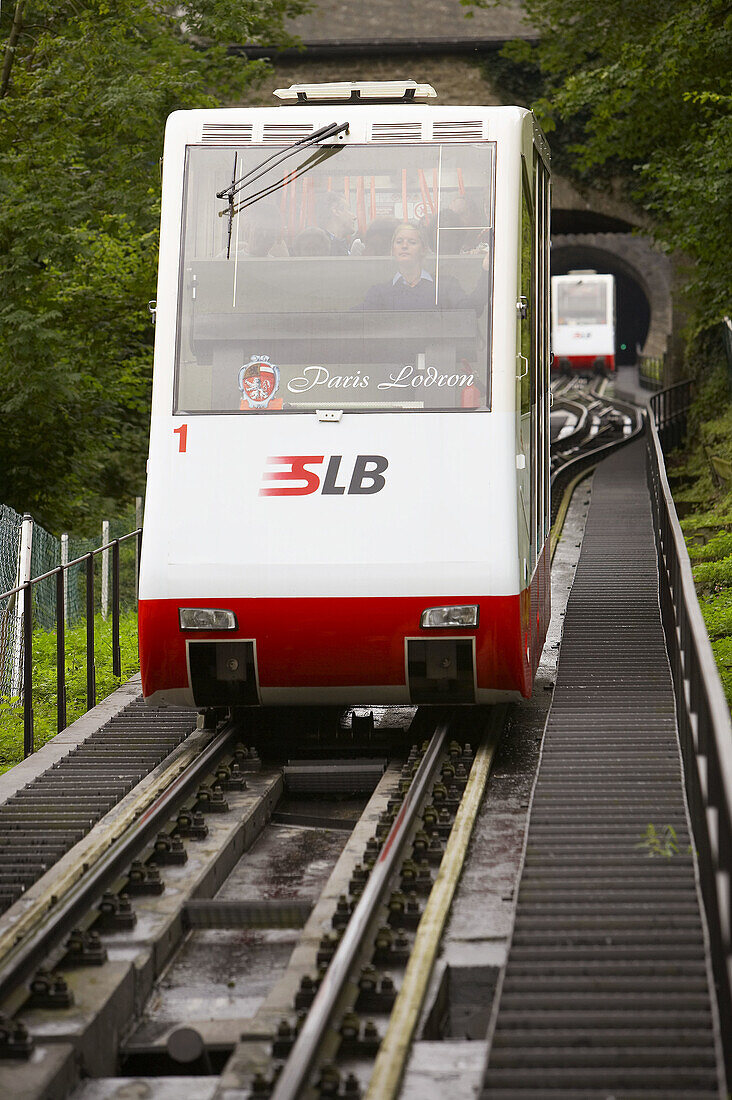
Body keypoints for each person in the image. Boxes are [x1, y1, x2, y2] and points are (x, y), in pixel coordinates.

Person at [359, 222, 489, 311]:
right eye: (399, 242)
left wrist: (486, 270)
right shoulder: (380, 292)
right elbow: (355, 318)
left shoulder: (445, 286)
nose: (404, 246)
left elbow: (472, 310)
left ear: (424, 249)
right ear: (392, 250)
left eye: (412, 242)